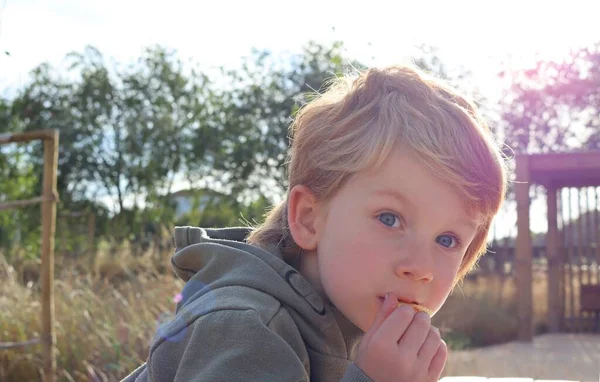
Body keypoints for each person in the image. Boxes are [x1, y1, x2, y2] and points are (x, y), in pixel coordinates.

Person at [122, 65, 507, 382]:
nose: (419, 268)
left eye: (447, 240)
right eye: (390, 219)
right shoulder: (245, 327)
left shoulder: (350, 321)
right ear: (308, 218)